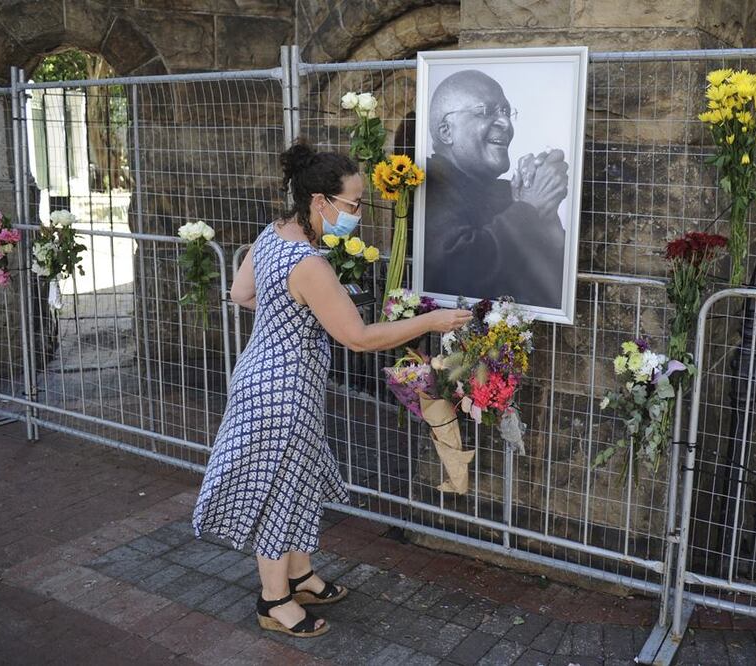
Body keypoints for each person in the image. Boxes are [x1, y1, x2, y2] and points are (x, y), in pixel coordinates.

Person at [192, 140, 472, 638]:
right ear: (320, 201)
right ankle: (273, 600)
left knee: (298, 479)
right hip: (283, 393)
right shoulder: (310, 265)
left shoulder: (273, 234)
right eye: (354, 204)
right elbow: (359, 338)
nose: (358, 213)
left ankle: (299, 575)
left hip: (260, 379)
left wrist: (293, 315)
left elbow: (241, 294)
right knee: (279, 489)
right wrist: (432, 319)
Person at [423, 69, 569, 309]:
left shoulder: (505, 192)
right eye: (486, 112)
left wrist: (547, 209)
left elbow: (549, 282)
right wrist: (529, 208)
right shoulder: (430, 184)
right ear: (446, 131)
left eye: (507, 112)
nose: (506, 123)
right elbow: (455, 270)